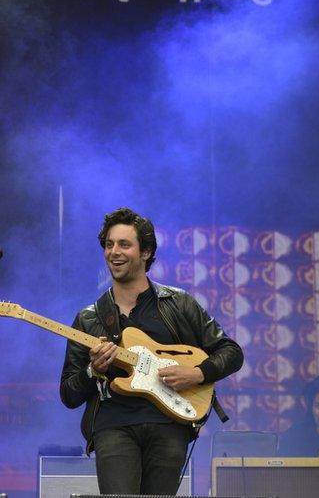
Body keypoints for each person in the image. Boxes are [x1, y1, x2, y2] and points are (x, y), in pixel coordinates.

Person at [59, 207, 244, 495]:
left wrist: (196, 373)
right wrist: (93, 370)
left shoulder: (178, 304)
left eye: (124, 244)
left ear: (145, 252)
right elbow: (68, 393)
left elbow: (231, 351)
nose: (114, 252)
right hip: (113, 426)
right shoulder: (89, 318)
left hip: (169, 425)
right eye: (109, 245)